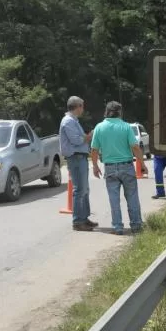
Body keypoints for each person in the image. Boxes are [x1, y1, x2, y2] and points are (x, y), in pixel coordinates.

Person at [91, 101, 147, 235]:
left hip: (109, 168)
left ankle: (117, 227)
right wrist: (143, 164)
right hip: (127, 166)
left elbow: (94, 149)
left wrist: (95, 166)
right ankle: (136, 226)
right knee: (132, 197)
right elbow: (135, 147)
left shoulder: (99, 127)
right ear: (120, 112)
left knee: (114, 199)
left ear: (106, 112)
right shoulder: (126, 127)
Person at [59, 96, 98, 231]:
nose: (83, 108)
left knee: (84, 189)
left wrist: (86, 137)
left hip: (80, 158)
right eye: (82, 106)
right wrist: (89, 136)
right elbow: (76, 140)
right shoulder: (68, 121)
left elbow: (78, 139)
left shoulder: (73, 120)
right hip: (75, 158)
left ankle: (84, 218)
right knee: (79, 190)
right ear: (76, 107)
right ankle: (78, 221)